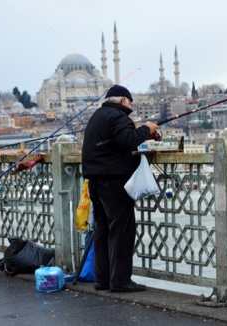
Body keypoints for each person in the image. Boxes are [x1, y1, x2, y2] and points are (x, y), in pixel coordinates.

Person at [82, 85, 158, 292]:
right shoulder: (117, 117)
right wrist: (146, 129)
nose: (130, 107)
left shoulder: (98, 116)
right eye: (129, 103)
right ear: (124, 101)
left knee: (103, 230)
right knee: (121, 232)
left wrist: (141, 134)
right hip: (114, 183)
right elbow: (127, 140)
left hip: (95, 182)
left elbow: (115, 142)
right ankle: (120, 281)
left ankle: (103, 279)